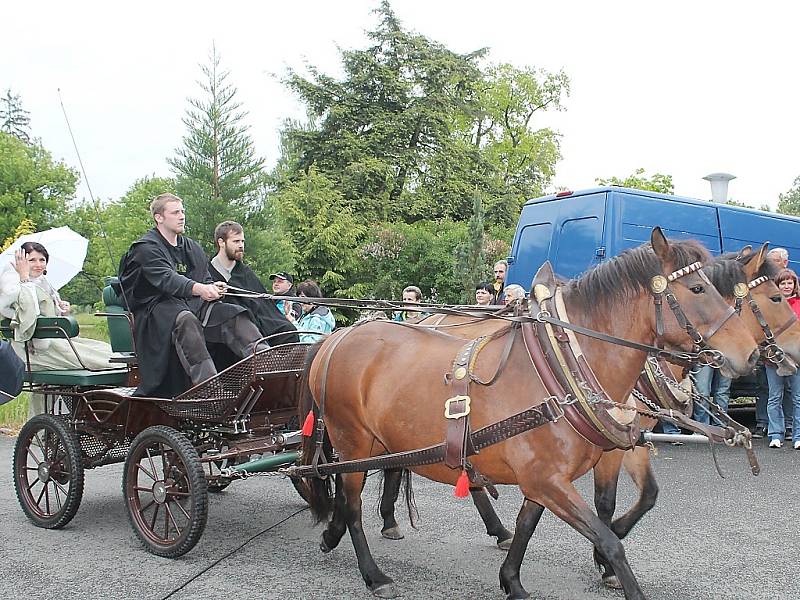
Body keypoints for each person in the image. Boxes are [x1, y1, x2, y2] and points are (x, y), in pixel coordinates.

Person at [118, 193, 267, 398]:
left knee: (232, 313)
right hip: (155, 314)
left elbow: (202, 278)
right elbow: (167, 279)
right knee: (185, 319)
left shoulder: (191, 247)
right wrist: (201, 289)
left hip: (191, 304)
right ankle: (210, 391)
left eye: (183, 211)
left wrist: (212, 287)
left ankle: (267, 366)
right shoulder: (145, 249)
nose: (182, 216)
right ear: (159, 217)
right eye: (175, 212)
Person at [0, 242, 117, 372]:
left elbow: (49, 314)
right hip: (33, 349)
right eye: (32, 260)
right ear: (21, 262)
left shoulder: (42, 283)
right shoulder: (12, 286)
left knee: (105, 349)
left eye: (42, 260)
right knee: (105, 360)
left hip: (53, 340)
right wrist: (24, 278)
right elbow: (29, 315)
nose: (38, 265)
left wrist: (61, 309)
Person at [208, 221, 298, 346]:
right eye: (236, 241)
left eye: (242, 241)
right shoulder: (207, 274)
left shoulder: (245, 273)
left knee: (288, 332)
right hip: (228, 333)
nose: (241, 246)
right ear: (221, 242)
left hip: (258, 325)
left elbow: (264, 307)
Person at [764, 268, 800, 449]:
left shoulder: (799, 303)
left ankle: (797, 435)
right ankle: (775, 434)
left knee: (798, 398)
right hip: (774, 358)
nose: (786, 286)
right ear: (777, 285)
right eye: (783, 283)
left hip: (797, 358)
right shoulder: (770, 304)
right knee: (774, 396)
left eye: (789, 282)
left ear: (795, 284)